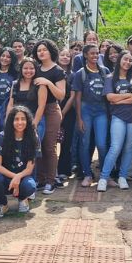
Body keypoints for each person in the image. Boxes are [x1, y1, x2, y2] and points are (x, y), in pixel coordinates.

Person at [0, 106, 39, 217]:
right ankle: (3, 204)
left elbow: (29, 169)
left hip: (23, 178)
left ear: (28, 120)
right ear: (11, 121)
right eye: (16, 119)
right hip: (5, 178)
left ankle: (22, 199)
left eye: (23, 119)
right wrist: (15, 177)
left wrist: (18, 178)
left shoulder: (33, 137)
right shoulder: (2, 136)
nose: (20, 122)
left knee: (30, 185)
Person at [98, 52, 132, 192]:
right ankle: (103, 178)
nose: (128, 62)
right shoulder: (110, 78)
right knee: (115, 147)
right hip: (118, 117)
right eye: (125, 59)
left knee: (129, 149)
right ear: (120, 59)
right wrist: (128, 95)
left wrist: (119, 99)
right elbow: (110, 97)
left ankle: (122, 177)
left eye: (130, 60)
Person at [72, 44, 110, 187]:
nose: (95, 56)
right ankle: (87, 174)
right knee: (85, 143)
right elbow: (77, 98)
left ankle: (104, 175)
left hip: (101, 111)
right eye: (92, 54)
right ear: (86, 55)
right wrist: (79, 118)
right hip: (86, 110)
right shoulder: (80, 73)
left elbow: (108, 94)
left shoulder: (105, 71)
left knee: (101, 144)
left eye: (97, 53)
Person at [33, 39, 67, 195]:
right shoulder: (35, 68)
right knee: (37, 144)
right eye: (39, 50)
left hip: (52, 110)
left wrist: (47, 82)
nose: (41, 52)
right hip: (36, 110)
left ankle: (51, 181)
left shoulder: (57, 70)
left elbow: (61, 94)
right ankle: (39, 179)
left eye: (44, 49)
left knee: (49, 146)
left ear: (51, 51)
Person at [6, 58, 46, 143]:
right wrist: (7, 121)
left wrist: (34, 125)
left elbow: (41, 106)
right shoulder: (15, 84)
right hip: (17, 120)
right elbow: (10, 104)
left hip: (35, 119)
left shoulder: (40, 85)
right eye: (25, 68)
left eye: (31, 68)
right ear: (21, 69)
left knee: (32, 149)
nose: (28, 71)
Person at [56, 48, 78, 181]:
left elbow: (73, 97)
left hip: (68, 112)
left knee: (67, 142)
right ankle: (51, 171)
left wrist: (62, 113)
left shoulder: (74, 75)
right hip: (52, 110)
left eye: (67, 56)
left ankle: (64, 170)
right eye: (62, 55)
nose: (65, 57)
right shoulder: (53, 73)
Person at [0, 47, 18, 123]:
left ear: (12, 59)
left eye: (8, 57)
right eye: (3, 56)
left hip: (10, 109)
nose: (5, 58)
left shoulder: (16, 74)